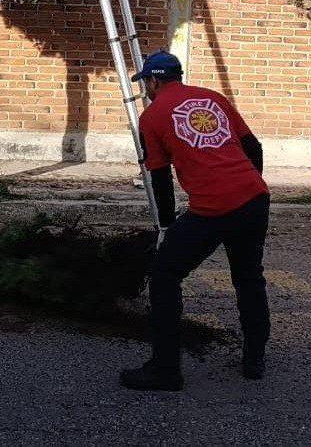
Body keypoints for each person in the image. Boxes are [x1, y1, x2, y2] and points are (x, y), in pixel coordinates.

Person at [119, 50, 270, 391]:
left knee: (165, 275)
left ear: (154, 81)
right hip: (254, 198)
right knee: (248, 278)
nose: (147, 90)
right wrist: (242, 187)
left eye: (147, 84)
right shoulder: (213, 98)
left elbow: (159, 178)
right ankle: (254, 360)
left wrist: (167, 226)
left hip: (211, 209)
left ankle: (165, 369)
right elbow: (254, 148)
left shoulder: (152, 117)